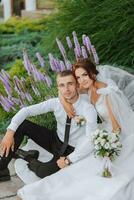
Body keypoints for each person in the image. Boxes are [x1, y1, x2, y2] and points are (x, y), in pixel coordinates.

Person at [18, 59, 134, 200]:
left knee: (93, 170)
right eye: (78, 77)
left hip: (116, 134)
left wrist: (107, 146)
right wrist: (65, 103)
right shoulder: (88, 88)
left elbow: (117, 128)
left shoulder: (106, 92)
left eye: (84, 75)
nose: (82, 80)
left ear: (92, 73)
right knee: (83, 157)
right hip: (100, 131)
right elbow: (65, 91)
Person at [0, 70, 98, 182]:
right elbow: (26, 111)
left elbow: (91, 140)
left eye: (70, 84)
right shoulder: (56, 102)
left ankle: (29, 157)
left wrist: (68, 159)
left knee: (43, 172)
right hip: (55, 140)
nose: (66, 89)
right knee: (21, 125)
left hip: (71, 149)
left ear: (77, 85)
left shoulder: (87, 109)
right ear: (58, 88)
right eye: (62, 85)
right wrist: (9, 132)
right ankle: (2, 168)